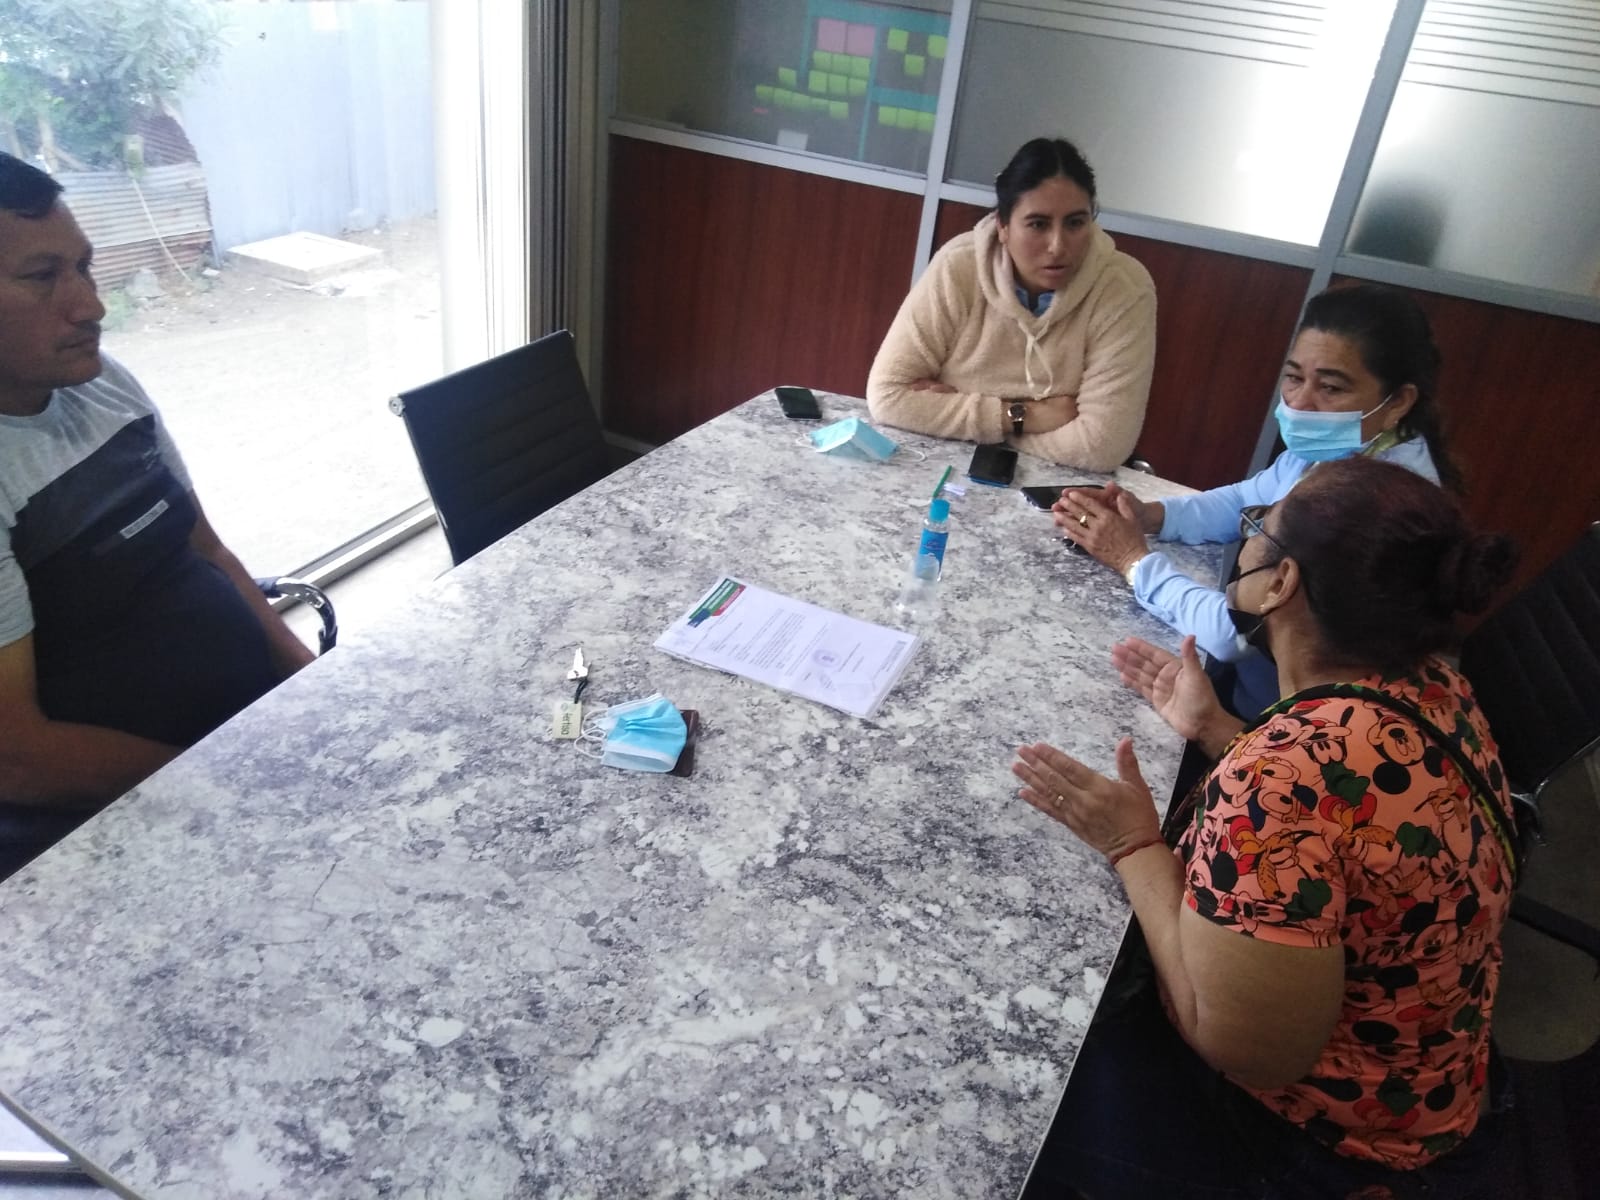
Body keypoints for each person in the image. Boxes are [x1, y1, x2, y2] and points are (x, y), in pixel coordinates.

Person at [1012, 456, 1519, 1200]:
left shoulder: (1281, 781)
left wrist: (1134, 845)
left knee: (1021, 1083)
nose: (1245, 543)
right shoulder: (1434, 685)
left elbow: (1242, 1049)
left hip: (1330, 1149)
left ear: (1281, 584)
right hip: (1433, 1085)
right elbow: (1345, 816)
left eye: (1260, 530)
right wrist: (1218, 729)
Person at [0, 151, 314, 872]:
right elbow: (17, 757)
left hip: (246, 742)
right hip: (124, 819)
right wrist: (227, 781)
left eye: (84, 268)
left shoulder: (102, 383)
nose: (91, 307)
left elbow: (207, 552)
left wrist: (311, 686)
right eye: (42, 277)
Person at [1054, 282, 1458, 717]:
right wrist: (1152, 515)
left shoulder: (1372, 509)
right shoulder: (1346, 445)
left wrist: (1133, 561)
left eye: (1330, 388)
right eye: (1294, 377)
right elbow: (1247, 498)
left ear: (1398, 402)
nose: (1300, 403)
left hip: (1276, 720)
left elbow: (1234, 632)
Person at [866, 137, 1156, 471]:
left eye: (1075, 223)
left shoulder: (1124, 287)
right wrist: (1030, 415)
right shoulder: (959, 266)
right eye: (1038, 224)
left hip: (1059, 484)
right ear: (1003, 227)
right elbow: (888, 397)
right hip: (943, 468)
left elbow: (1100, 446)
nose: (1057, 246)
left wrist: (961, 418)